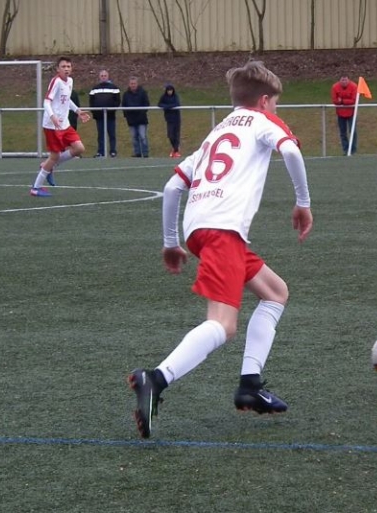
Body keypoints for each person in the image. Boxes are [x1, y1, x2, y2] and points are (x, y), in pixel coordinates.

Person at [128, 60, 313, 439]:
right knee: (223, 324)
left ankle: (250, 386)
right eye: (275, 103)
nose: (275, 108)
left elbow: (172, 187)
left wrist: (170, 243)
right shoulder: (264, 121)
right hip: (222, 229)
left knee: (276, 293)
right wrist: (303, 203)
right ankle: (155, 379)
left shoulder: (218, 131)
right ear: (265, 101)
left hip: (201, 228)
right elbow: (292, 153)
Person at [29, 56, 91, 197]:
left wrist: (78, 111)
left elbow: (66, 100)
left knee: (79, 148)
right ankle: (35, 188)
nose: (66, 69)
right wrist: (52, 116)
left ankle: (50, 166)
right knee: (54, 156)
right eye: (63, 66)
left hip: (64, 124)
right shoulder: (56, 81)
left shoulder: (70, 81)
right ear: (57, 69)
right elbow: (46, 102)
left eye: (68, 66)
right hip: (52, 125)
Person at [88, 69, 120, 158]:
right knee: (101, 135)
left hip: (110, 116)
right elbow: (91, 101)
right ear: (99, 77)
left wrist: (111, 110)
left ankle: (113, 151)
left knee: (112, 134)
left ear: (108, 76)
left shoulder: (114, 88)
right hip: (99, 117)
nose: (103, 77)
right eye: (102, 76)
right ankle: (101, 152)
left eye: (105, 76)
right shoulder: (95, 88)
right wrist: (95, 112)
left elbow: (117, 101)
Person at [122, 77, 150, 158]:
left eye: (134, 83)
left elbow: (146, 104)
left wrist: (141, 113)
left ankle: (145, 153)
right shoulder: (126, 94)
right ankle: (137, 153)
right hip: (131, 119)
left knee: (142, 136)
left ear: (137, 84)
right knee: (134, 137)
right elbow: (124, 105)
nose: (133, 85)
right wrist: (127, 116)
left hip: (141, 119)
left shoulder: (143, 92)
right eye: (131, 84)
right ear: (129, 84)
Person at [330, 75, 358, 155]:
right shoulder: (335, 87)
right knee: (343, 132)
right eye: (342, 80)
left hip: (351, 112)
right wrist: (342, 101)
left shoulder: (354, 86)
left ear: (348, 80)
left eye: (345, 80)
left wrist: (342, 101)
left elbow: (353, 100)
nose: (344, 82)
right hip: (340, 113)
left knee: (353, 131)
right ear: (339, 81)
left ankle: (353, 150)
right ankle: (346, 150)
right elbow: (335, 100)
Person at [158, 83, 182, 158]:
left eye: (171, 90)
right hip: (169, 119)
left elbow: (177, 104)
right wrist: (166, 107)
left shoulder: (175, 97)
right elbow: (159, 104)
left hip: (176, 119)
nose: (170, 92)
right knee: (170, 135)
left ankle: (176, 151)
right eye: (168, 90)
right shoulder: (163, 97)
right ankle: (175, 148)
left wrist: (168, 107)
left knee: (176, 135)